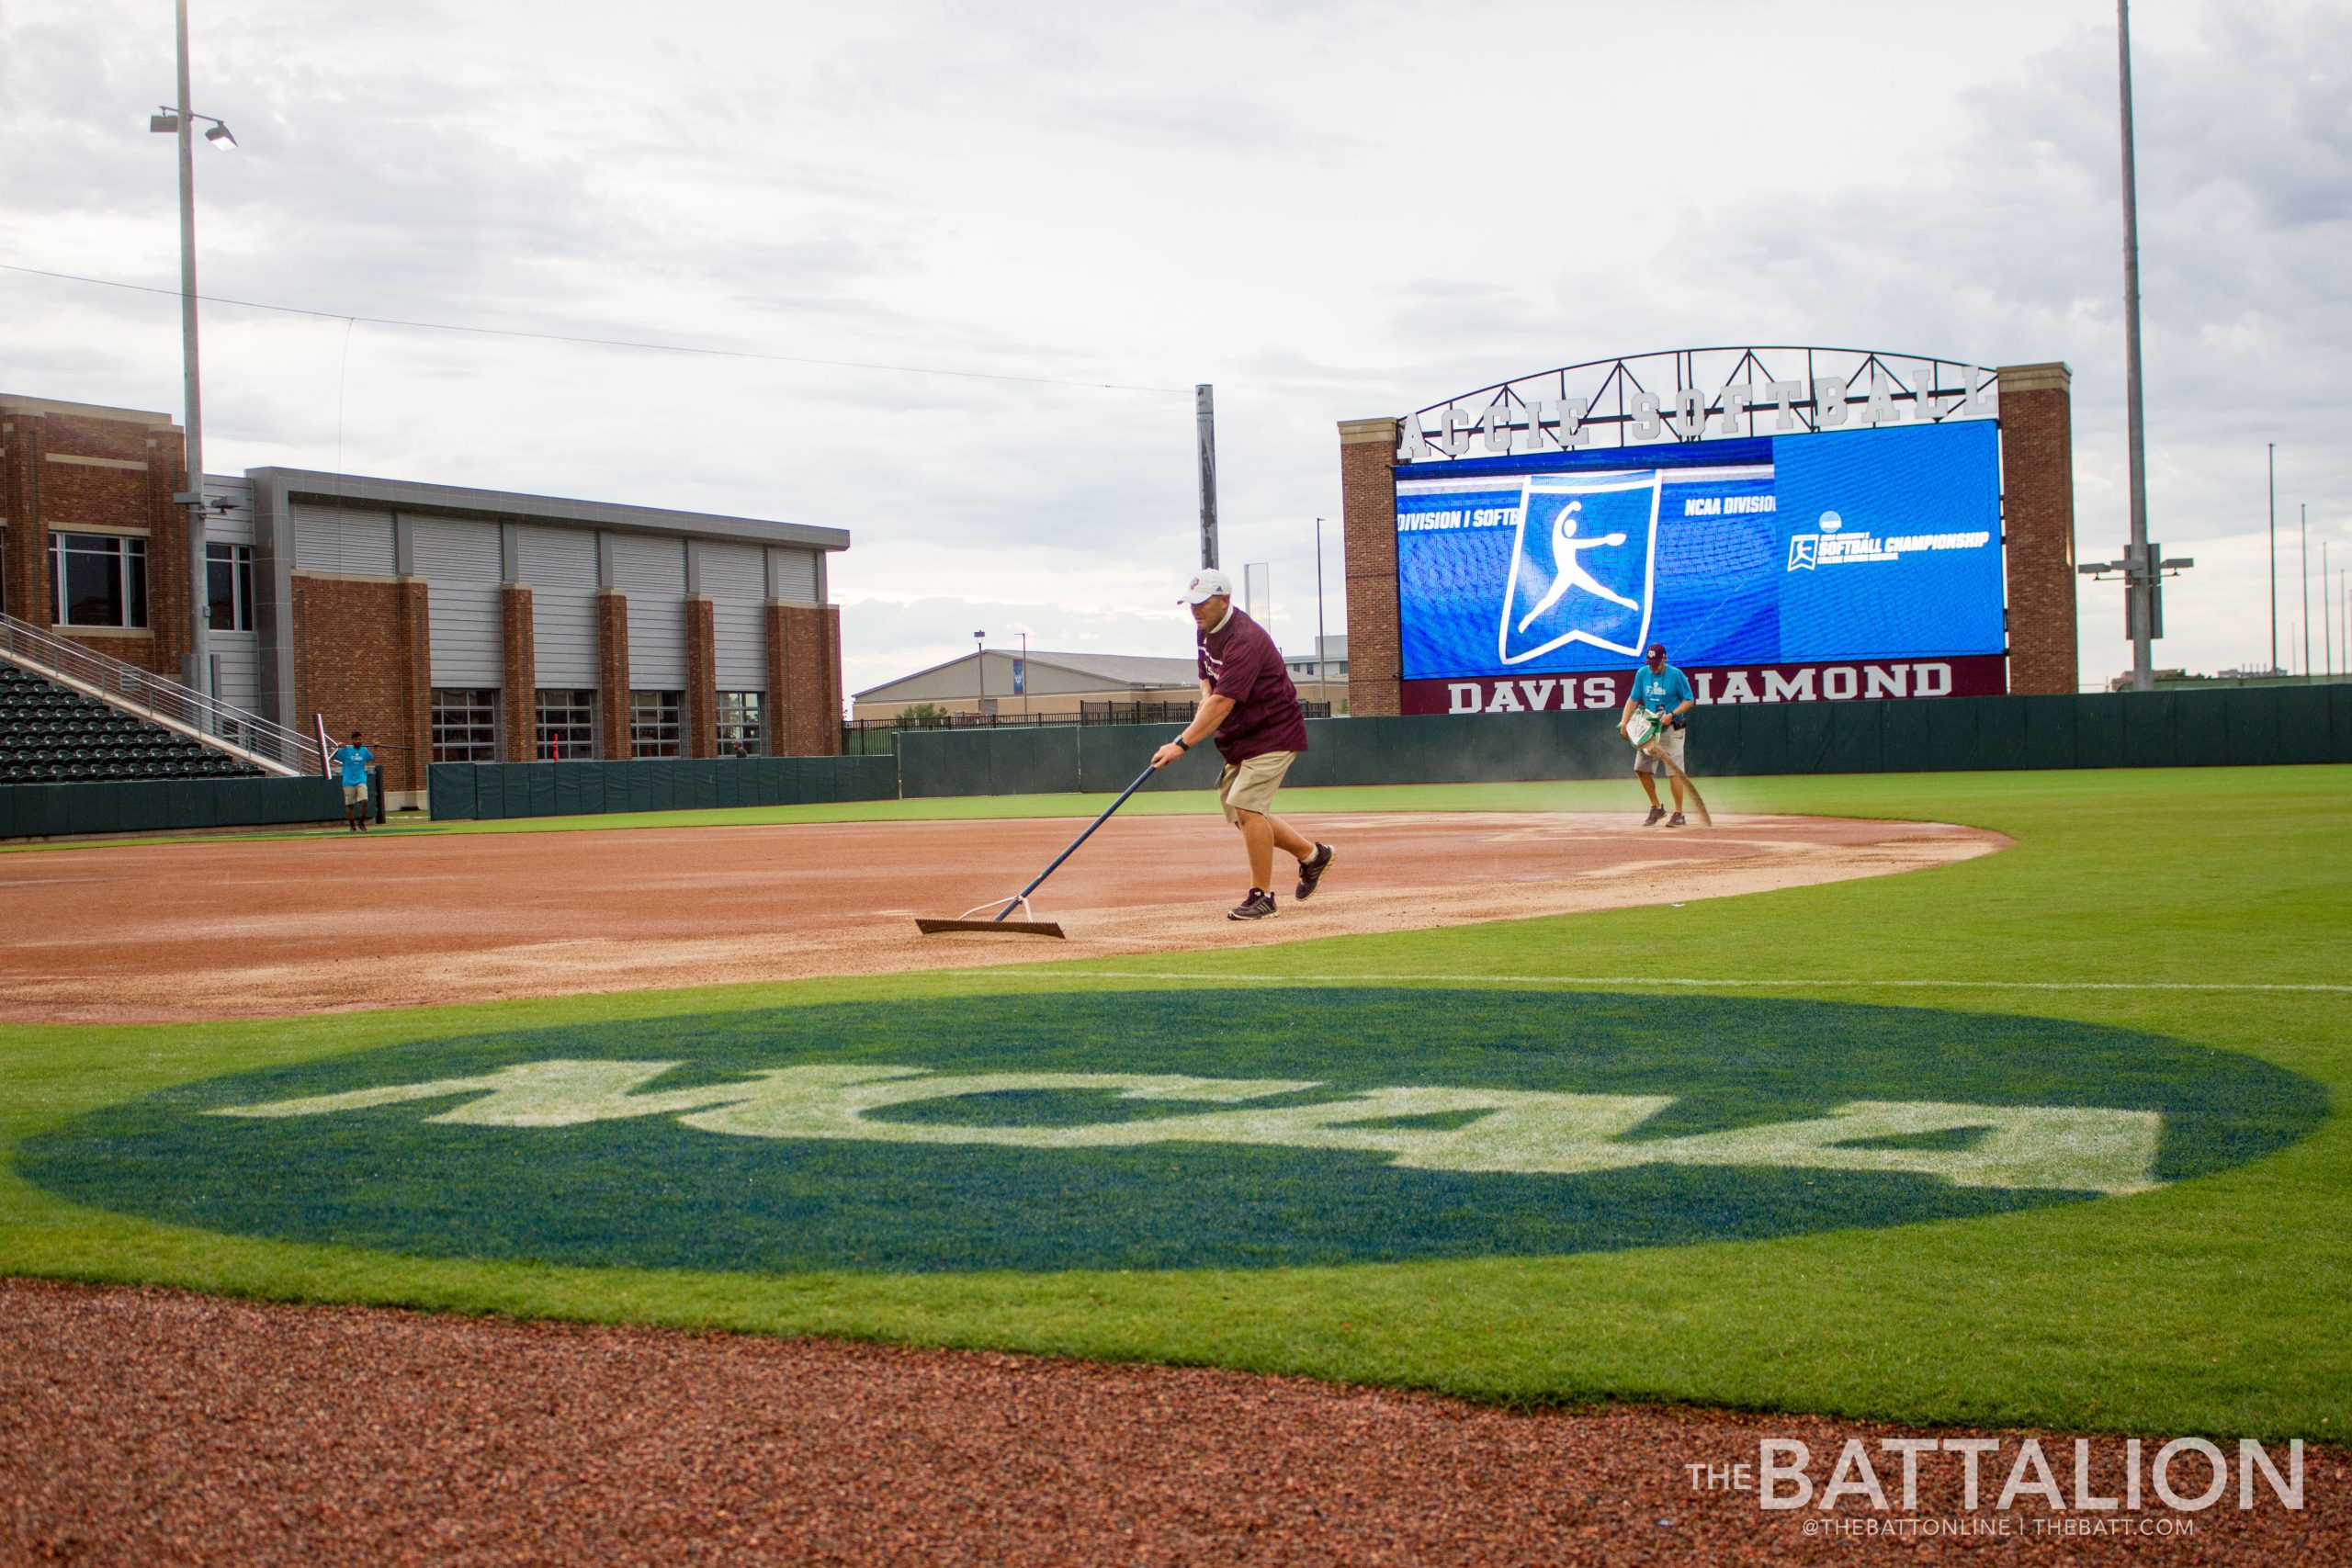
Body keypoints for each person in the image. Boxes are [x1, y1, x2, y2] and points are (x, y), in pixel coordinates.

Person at [1150, 568, 1334, 920]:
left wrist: (1181, 744)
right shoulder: (1204, 630)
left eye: (1203, 603)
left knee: (1247, 807)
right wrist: (1201, 713)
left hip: (1274, 730)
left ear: (1225, 600)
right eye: (1192, 604)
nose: (1196, 611)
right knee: (1242, 813)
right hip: (1242, 735)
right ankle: (1314, 856)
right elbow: (1208, 684)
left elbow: (1223, 702)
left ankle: (1261, 897)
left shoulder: (1245, 639)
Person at [1621, 641, 1696, 827]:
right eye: (1650, 663)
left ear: (1665, 658)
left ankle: (1679, 814)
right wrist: (1624, 722)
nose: (1653, 667)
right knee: (1641, 768)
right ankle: (1656, 807)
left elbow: (1689, 700)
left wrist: (1672, 714)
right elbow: (1633, 699)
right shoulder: (1642, 673)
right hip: (1650, 728)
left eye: (1656, 663)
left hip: (1672, 727)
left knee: (1674, 771)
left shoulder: (1676, 675)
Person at [332, 730, 375, 832]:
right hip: (348, 781)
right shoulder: (346, 750)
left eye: (360, 739)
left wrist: (375, 748)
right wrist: (337, 747)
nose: (358, 741)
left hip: (361, 780)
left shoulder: (364, 750)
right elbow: (332, 756)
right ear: (352, 740)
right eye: (356, 739)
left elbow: (372, 758)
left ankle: (361, 823)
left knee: (364, 801)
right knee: (350, 804)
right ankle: (352, 826)